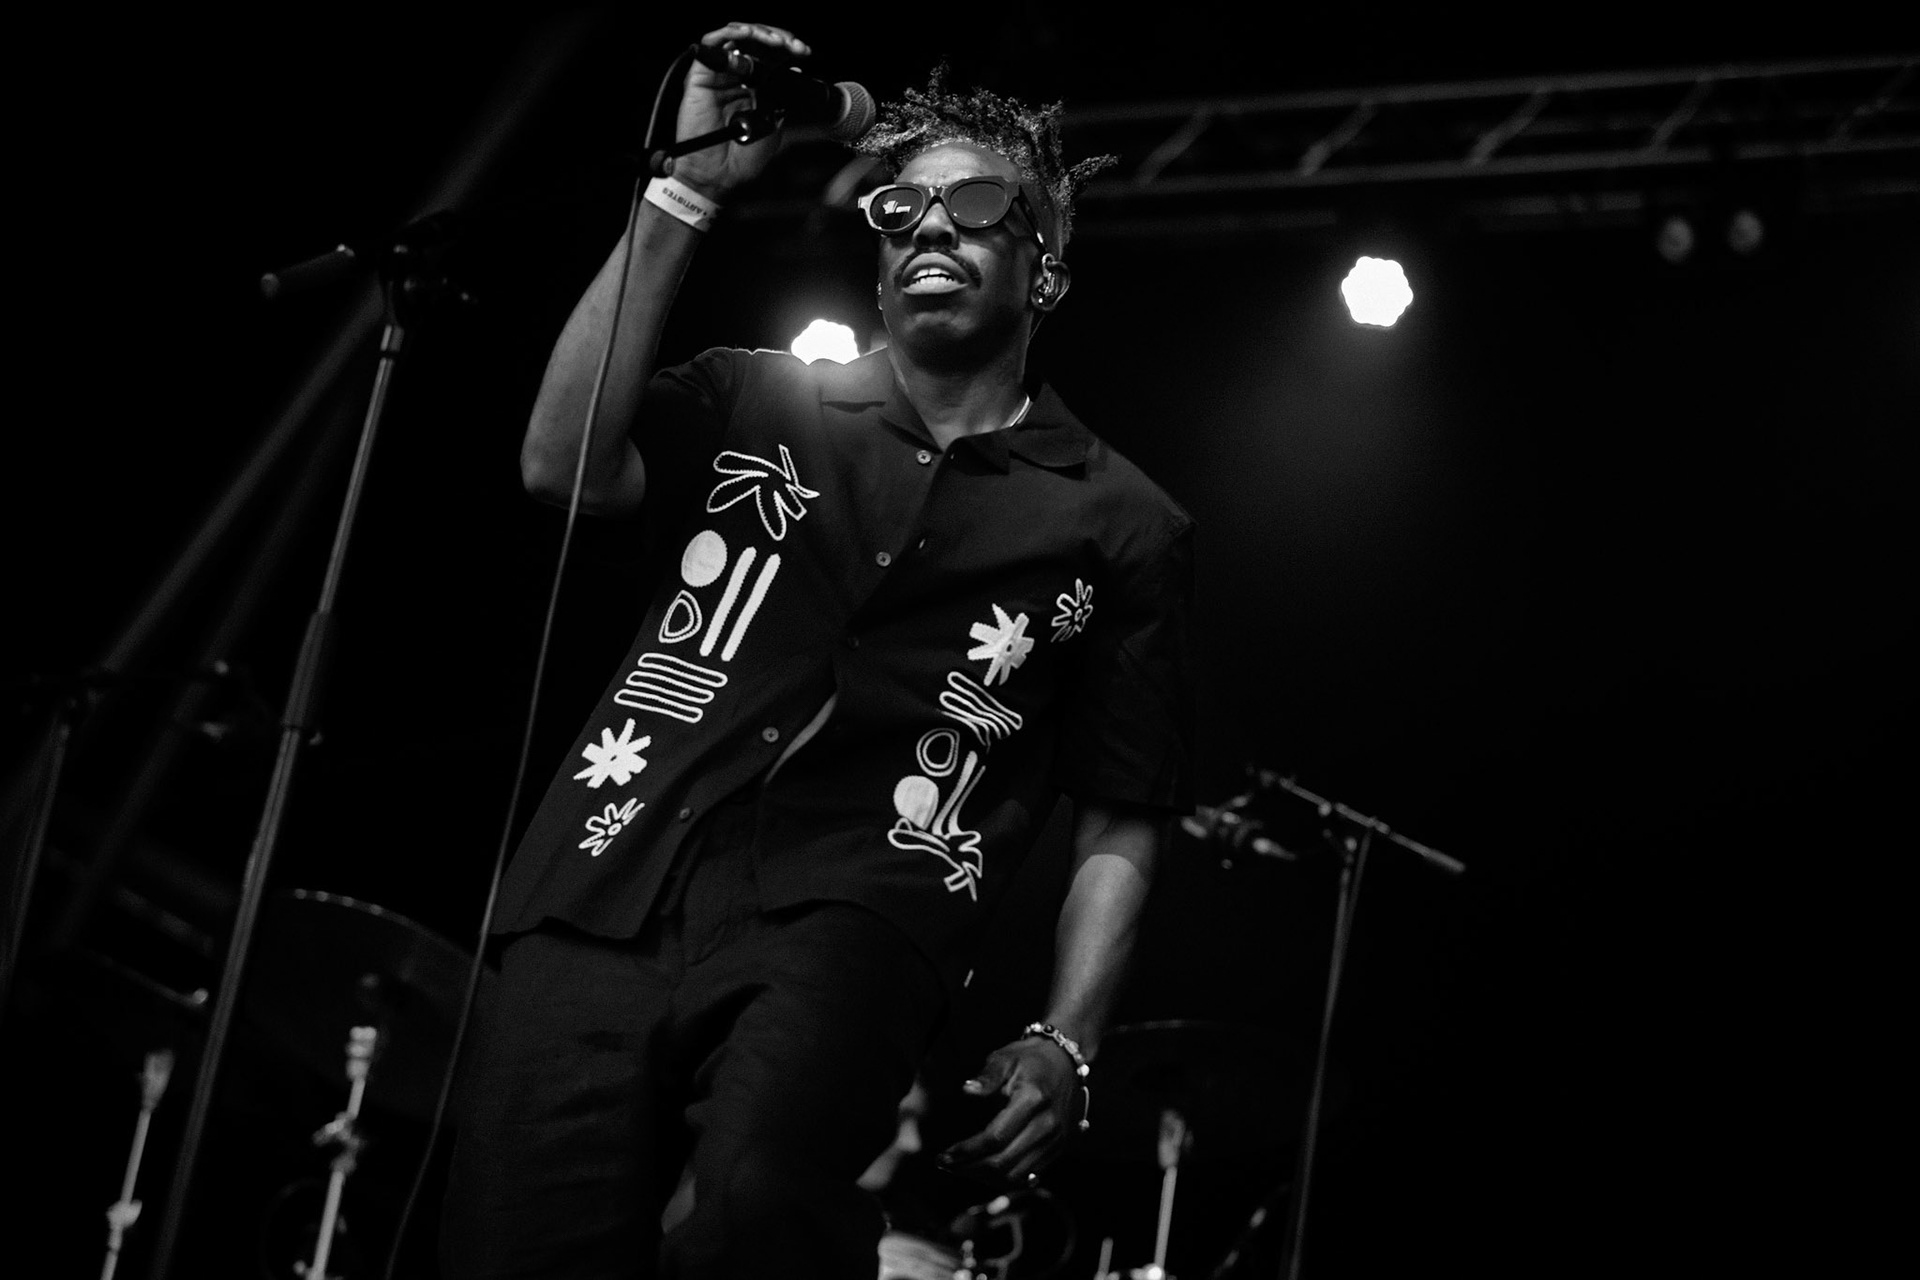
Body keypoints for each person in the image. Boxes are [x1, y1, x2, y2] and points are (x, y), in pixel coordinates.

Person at [441, 20, 1194, 1279]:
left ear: (1046, 266)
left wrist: (1068, 1040)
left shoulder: (1120, 521)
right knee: (520, 1242)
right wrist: (685, 191)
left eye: (977, 202)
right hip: (607, 872)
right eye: (902, 207)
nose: (931, 227)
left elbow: (1123, 814)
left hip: (862, 905)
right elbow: (558, 466)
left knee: (748, 1215)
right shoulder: (760, 398)